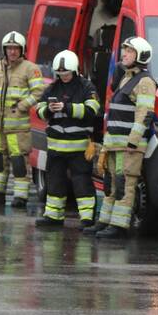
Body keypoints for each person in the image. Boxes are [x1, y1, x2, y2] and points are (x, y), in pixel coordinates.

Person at [85, 36, 157, 239]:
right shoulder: (126, 77)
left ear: (140, 56)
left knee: (124, 184)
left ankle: (119, 226)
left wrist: (134, 140)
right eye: (124, 50)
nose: (124, 54)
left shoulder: (144, 82)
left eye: (129, 51)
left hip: (129, 146)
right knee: (111, 184)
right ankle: (105, 221)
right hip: (115, 144)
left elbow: (145, 112)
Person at [34, 50, 102, 233]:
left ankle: (87, 219)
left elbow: (93, 109)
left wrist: (67, 107)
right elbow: (39, 109)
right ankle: (53, 217)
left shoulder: (87, 87)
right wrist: (48, 109)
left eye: (66, 73)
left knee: (82, 182)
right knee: (55, 181)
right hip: (55, 146)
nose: (63, 76)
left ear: (74, 70)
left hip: (79, 147)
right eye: (60, 74)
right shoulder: (53, 88)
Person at [0, 31, 46, 209]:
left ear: (22, 49)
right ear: (4, 49)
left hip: (18, 129)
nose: (12, 52)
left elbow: (38, 92)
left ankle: (20, 197)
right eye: (9, 48)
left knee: (19, 163)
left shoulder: (30, 69)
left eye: (16, 48)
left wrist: (23, 106)